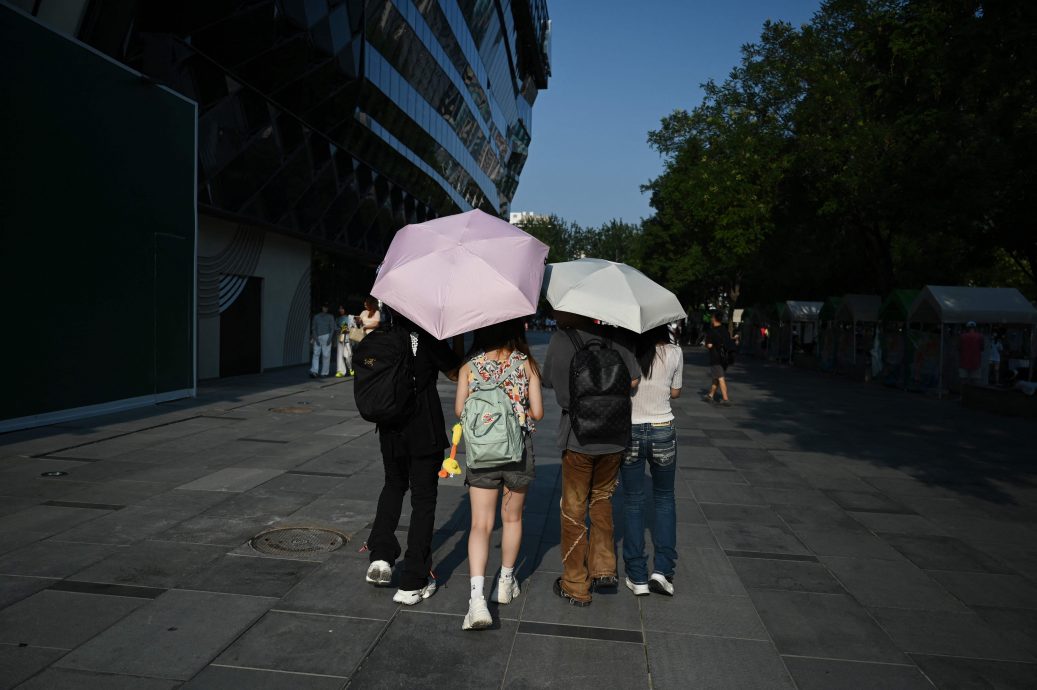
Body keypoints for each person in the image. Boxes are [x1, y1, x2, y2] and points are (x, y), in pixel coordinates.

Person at [542, 311, 640, 606]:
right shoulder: (617, 336)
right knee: (602, 499)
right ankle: (604, 567)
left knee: (573, 509)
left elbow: (550, 382)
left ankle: (575, 583)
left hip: (578, 436)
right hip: (614, 435)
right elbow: (633, 380)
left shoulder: (562, 339)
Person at [364, 312, 461, 605]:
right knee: (423, 500)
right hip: (423, 429)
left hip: (390, 428)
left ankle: (380, 556)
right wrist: (456, 339)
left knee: (393, 485)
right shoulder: (429, 338)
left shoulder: (382, 338)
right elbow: (455, 373)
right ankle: (413, 580)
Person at [454, 319, 544, 630]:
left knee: (480, 524)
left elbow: (458, 410)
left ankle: (477, 599)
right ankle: (505, 581)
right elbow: (539, 412)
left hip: (482, 453)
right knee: (513, 519)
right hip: (517, 452)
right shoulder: (525, 364)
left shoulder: (470, 366)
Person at [622, 325, 682, 597]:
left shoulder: (629, 351)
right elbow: (675, 392)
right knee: (665, 499)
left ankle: (637, 576)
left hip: (631, 429)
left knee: (633, 502)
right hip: (662, 428)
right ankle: (663, 571)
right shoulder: (674, 352)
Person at [704, 310, 733, 405]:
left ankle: (725, 399)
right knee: (716, 377)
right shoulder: (725, 330)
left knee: (720, 377)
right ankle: (710, 395)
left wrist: (710, 345)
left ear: (714, 319)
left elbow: (709, 345)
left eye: (712, 317)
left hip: (716, 358)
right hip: (725, 358)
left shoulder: (711, 331)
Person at [309, 303, 336, 378]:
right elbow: (313, 328)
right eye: (324, 307)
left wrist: (330, 338)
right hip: (318, 336)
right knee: (316, 354)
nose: (325, 309)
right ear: (321, 307)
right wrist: (315, 337)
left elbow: (332, 328)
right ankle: (314, 371)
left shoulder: (330, 316)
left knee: (326, 355)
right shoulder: (316, 317)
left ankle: (324, 372)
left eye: (326, 307)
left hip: (327, 336)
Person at [958, 320, 984, 386]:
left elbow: (959, 348)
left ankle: (963, 395)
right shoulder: (980, 336)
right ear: (975, 328)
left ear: (967, 328)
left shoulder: (962, 336)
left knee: (963, 381)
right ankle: (973, 396)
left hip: (964, 362)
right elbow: (982, 348)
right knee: (975, 382)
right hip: (976, 362)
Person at [335, 305, 354, 378]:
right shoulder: (337, 319)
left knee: (348, 355)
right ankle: (340, 371)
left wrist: (349, 329)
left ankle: (351, 368)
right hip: (340, 338)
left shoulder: (350, 317)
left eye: (342, 308)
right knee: (340, 354)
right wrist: (339, 329)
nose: (340, 310)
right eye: (339, 309)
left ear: (345, 309)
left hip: (348, 338)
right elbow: (335, 328)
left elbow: (353, 327)